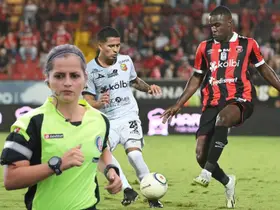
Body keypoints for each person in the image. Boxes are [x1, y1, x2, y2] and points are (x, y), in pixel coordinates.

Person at [161, 6, 280, 208]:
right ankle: (227, 181)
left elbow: (264, 69)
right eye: (211, 26)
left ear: (229, 23)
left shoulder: (248, 44)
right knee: (201, 155)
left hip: (241, 98)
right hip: (211, 102)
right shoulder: (204, 47)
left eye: (217, 25)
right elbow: (196, 78)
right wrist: (178, 103)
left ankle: (206, 173)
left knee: (224, 119)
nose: (213, 29)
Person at [0, 44, 122, 210]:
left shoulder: (100, 120)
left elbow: (100, 148)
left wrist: (110, 170)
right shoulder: (29, 123)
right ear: (47, 80)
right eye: (59, 76)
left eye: (74, 76)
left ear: (85, 79)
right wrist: (57, 165)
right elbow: (11, 180)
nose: (67, 82)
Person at [82, 26, 163, 208]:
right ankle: (127, 189)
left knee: (135, 156)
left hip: (128, 116)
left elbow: (134, 81)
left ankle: (152, 197)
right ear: (100, 46)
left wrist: (148, 87)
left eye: (118, 45)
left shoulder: (126, 61)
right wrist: (98, 103)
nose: (116, 50)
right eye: (111, 46)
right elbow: (87, 99)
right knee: (103, 154)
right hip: (106, 121)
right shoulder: (90, 70)